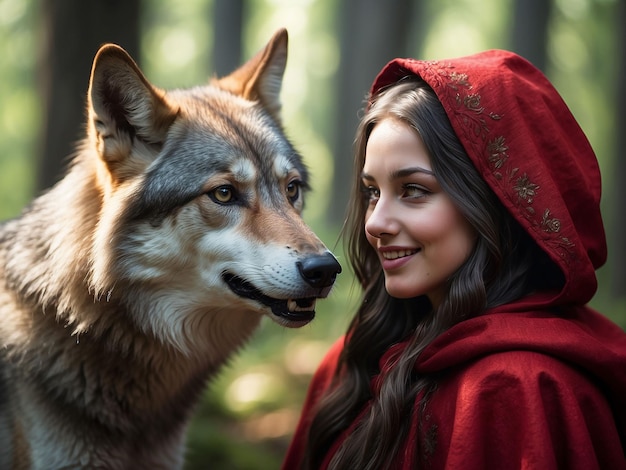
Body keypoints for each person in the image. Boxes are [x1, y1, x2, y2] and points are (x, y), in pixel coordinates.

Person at [282, 50, 626, 470]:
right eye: (373, 191)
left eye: (413, 190)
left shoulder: (518, 385)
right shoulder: (351, 362)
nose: (376, 222)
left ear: (497, 203)